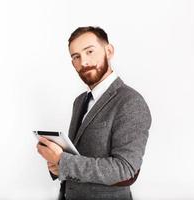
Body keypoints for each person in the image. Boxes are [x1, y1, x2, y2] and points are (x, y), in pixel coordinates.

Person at [36, 26, 152, 200]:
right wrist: (59, 167)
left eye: (89, 51)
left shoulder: (130, 102)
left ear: (109, 51)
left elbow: (126, 169)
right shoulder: (79, 101)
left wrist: (63, 160)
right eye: (76, 57)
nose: (83, 62)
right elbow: (78, 155)